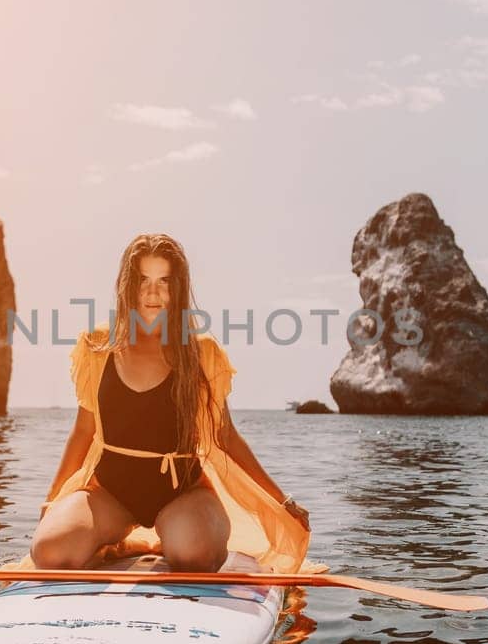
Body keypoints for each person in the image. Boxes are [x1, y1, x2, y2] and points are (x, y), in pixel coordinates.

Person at [30, 233, 312, 574]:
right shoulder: (98, 346)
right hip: (109, 492)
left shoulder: (200, 353)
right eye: (143, 281)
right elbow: (83, 432)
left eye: (164, 281)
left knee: (194, 556)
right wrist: (52, 499)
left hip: (182, 493)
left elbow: (226, 437)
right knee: (48, 552)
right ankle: (117, 541)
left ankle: (171, 537)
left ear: (177, 288)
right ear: (127, 286)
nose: (153, 293)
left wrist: (282, 501)